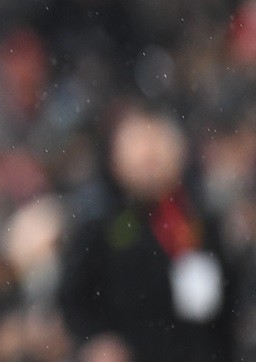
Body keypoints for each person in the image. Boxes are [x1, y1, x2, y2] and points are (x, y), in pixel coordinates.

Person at [58, 104, 237, 362]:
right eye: (139, 149)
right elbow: (74, 297)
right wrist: (95, 340)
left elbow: (226, 303)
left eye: (157, 146)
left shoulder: (200, 221)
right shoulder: (102, 226)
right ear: (116, 161)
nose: (149, 157)